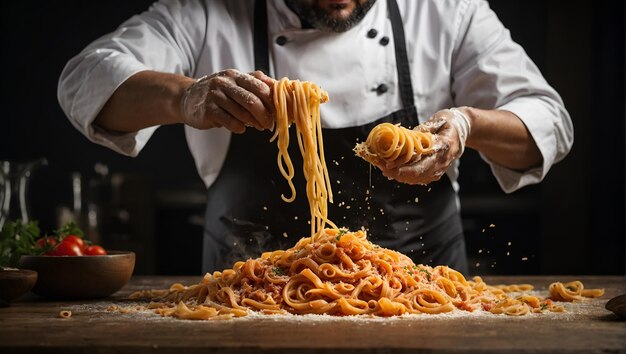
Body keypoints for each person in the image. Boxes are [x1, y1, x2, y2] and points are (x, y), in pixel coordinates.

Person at [57, 0, 573, 275]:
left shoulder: (445, 10)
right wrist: (186, 96)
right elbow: (86, 77)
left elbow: (548, 120)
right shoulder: (207, 10)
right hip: (249, 302)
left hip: (425, 296)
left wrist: (468, 125)